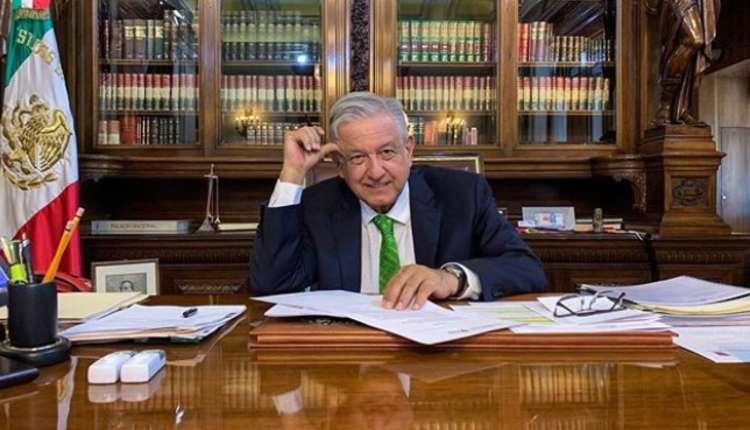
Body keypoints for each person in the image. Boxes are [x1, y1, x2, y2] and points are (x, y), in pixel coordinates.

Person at [251, 92, 546, 309]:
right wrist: (292, 172)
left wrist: (451, 279)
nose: (376, 172)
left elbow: (526, 268)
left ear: (409, 150)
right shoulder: (318, 205)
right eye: (357, 157)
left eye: (387, 152)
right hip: (349, 355)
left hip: (438, 356)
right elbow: (271, 286)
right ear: (339, 165)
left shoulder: (463, 195)